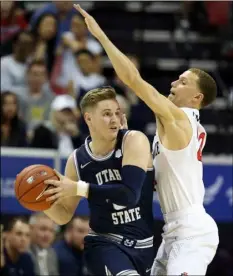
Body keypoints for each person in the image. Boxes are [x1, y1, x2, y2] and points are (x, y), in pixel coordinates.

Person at [74, 4, 220, 276]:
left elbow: (131, 78)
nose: (174, 84)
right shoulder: (181, 126)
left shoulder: (177, 119)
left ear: (197, 97)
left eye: (183, 82)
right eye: (177, 79)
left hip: (192, 233)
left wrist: (102, 37)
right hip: (174, 231)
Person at [43, 86, 155, 275]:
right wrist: (41, 203)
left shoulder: (134, 140)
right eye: (106, 114)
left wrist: (79, 188)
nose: (114, 119)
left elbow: (129, 195)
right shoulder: (77, 160)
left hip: (144, 245)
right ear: (88, 118)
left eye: (117, 113)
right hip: (104, 243)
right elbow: (63, 216)